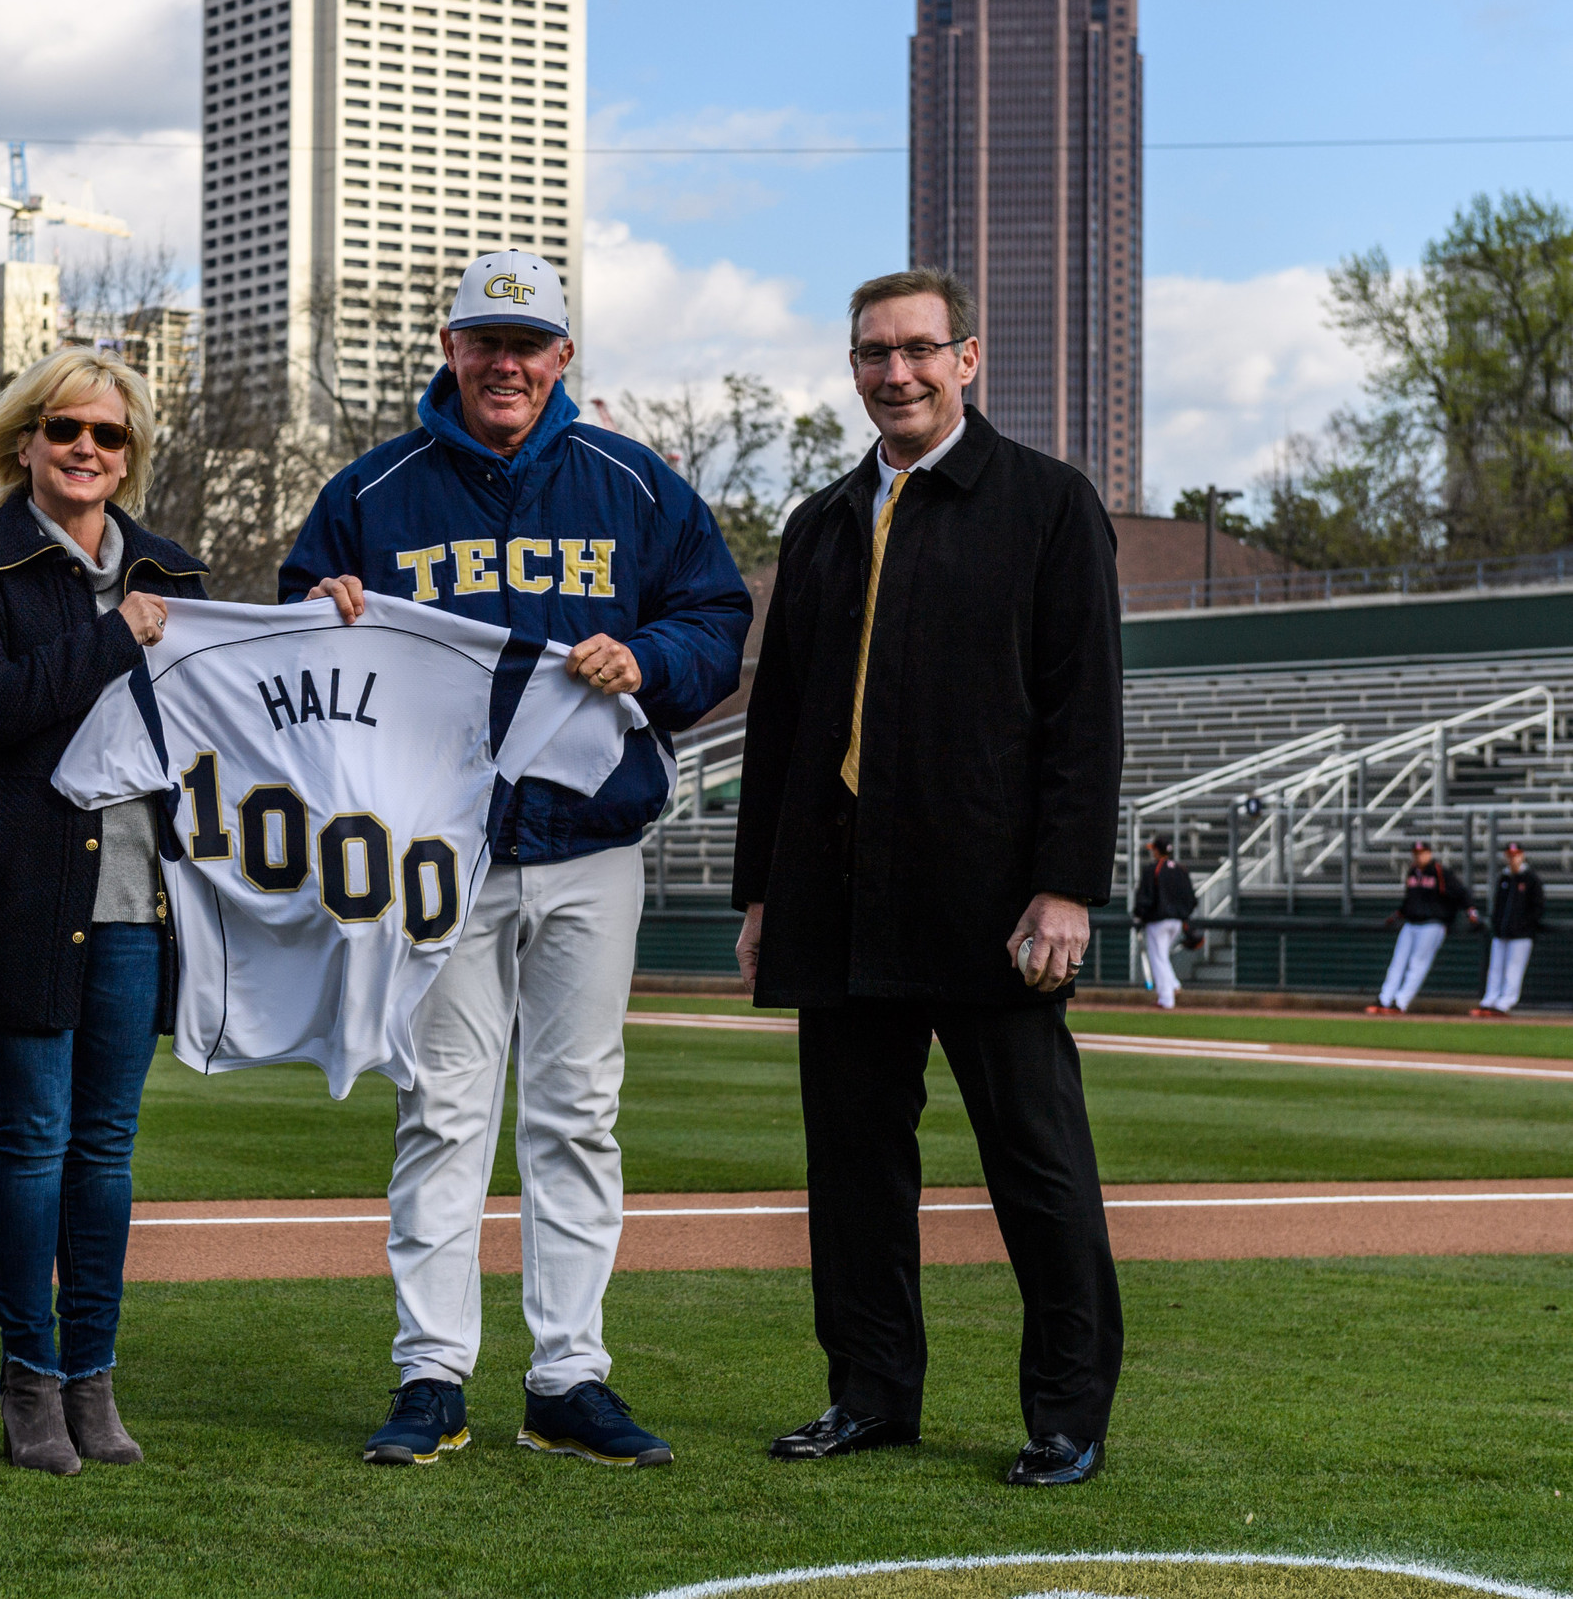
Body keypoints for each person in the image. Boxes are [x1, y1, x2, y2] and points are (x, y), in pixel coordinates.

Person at [281, 249, 752, 1469]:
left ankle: (567, 1372)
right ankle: (431, 1371)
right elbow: (290, 645)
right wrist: (318, 608)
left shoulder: (634, 485)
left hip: (592, 836)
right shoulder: (373, 491)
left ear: (563, 355)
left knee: (577, 1109)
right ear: (449, 349)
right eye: (483, 340)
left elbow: (714, 618)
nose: (504, 362)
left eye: (526, 341)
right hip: (440, 852)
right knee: (440, 1110)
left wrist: (647, 658)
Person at [731, 268, 1126, 1488]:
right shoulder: (820, 522)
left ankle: (1066, 1413)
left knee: (1036, 1160)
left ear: (965, 359)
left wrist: (1064, 886)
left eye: (915, 350)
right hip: (839, 892)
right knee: (853, 1166)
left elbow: (1084, 713)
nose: (892, 372)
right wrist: (761, 891)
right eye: (869, 353)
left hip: (990, 895)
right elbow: (782, 726)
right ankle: (869, 1393)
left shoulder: (1049, 506)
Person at [0, 348, 210, 1475]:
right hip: (20, 890)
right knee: (34, 1140)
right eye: (65, 428)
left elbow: (239, 705)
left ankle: (93, 1378)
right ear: (23, 439)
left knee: (108, 1151)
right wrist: (114, 633)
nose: (87, 450)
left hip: (139, 898)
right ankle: (29, 1384)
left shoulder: (177, 568)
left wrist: (328, 615)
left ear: (131, 454)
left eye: (109, 436)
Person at [1368, 841, 1474, 1016]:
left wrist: (1471, 911)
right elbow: (1410, 900)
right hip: (1411, 923)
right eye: (1416, 853)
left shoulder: (1440, 872)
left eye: (1422, 852)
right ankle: (1384, 999)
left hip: (1433, 924)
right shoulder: (1412, 872)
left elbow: (1461, 893)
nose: (1419, 856)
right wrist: (1399, 914)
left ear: (1429, 853)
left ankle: (1400, 1002)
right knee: (1397, 962)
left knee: (1418, 964)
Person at [1474, 843, 1545, 1017]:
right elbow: (1498, 906)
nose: (1512, 858)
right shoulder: (1504, 878)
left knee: (1513, 970)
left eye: (1516, 854)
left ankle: (1504, 1003)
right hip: (1502, 932)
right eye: (1510, 855)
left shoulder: (1530, 879)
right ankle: (1489, 1001)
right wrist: (1497, 925)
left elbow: (1537, 908)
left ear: (1522, 855)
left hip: (1521, 935)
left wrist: (1524, 926)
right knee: (1495, 969)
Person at [1130, 836, 1197, 1010]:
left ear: (1158, 850)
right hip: (1177, 922)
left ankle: (1166, 999)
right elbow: (1192, 898)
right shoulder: (1181, 869)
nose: (1152, 851)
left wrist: (1139, 914)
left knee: (1157, 957)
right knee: (1162, 956)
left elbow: (1146, 896)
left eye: (1153, 849)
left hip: (1158, 921)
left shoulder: (1154, 869)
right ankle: (1173, 984)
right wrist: (1184, 915)